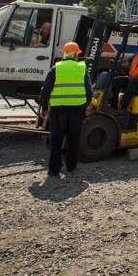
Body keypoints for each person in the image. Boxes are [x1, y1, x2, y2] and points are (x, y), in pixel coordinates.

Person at [39, 41, 92, 179]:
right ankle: (71, 166)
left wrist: (44, 107)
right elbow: (89, 92)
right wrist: (84, 106)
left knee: (56, 140)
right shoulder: (82, 69)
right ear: (75, 55)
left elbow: (46, 90)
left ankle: (54, 170)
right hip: (77, 110)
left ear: (64, 54)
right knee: (73, 139)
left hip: (59, 110)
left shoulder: (56, 68)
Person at [114, 36, 138, 110]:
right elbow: (127, 63)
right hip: (133, 80)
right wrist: (116, 62)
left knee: (133, 81)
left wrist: (136, 77)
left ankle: (123, 106)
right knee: (117, 80)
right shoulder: (136, 55)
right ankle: (114, 103)